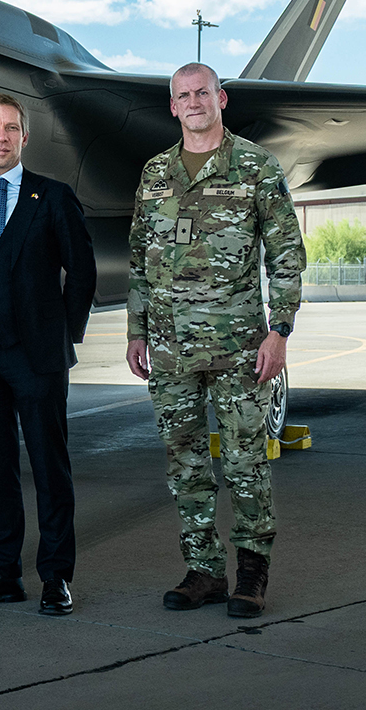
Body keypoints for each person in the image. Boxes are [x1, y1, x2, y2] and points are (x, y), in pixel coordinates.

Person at [126, 63, 305, 618]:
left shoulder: (255, 166)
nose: (194, 101)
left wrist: (280, 331)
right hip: (170, 350)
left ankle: (251, 571)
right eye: (183, 95)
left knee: (246, 462)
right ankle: (203, 570)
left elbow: (286, 254)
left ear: (221, 99)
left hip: (239, 349)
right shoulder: (156, 172)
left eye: (203, 92)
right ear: (173, 107)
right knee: (185, 463)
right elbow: (139, 260)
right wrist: (136, 330)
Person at [0, 94, 95, 616]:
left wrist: (63, 334)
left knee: (50, 467)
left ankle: (56, 576)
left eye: (11, 128)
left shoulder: (53, 197)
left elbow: (82, 271)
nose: (2, 136)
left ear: (24, 137)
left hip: (39, 356)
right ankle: (4, 572)